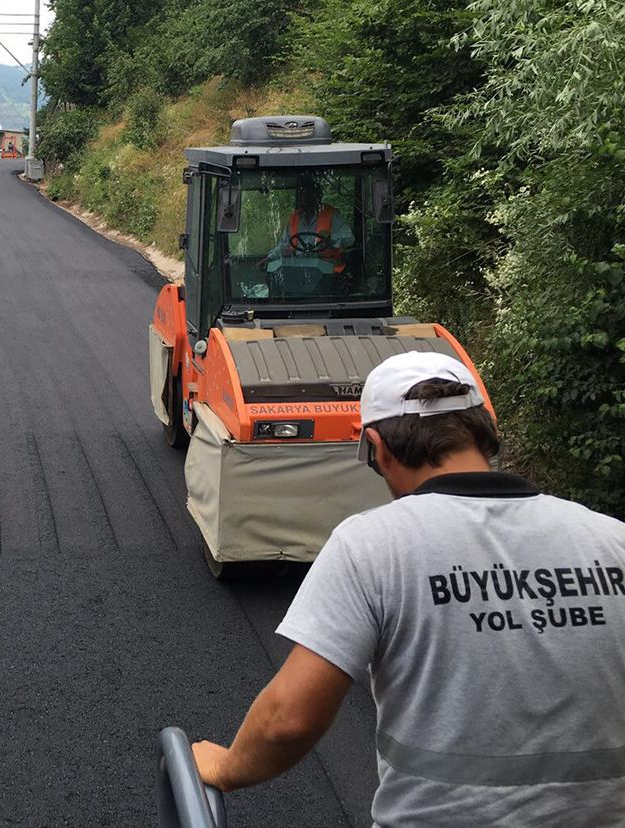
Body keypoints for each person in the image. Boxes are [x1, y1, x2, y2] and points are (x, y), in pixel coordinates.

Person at [192, 351, 625, 827]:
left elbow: (287, 722)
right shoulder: (612, 540)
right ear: (487, 432)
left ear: (379, 448)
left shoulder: (373, 546)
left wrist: (225, 769)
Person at [258, 176, 354, 273]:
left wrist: (331, 238)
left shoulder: (331, 214)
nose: (306, 198)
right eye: (303, 194)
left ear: (318, 196)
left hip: (328, 272)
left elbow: (349, 239)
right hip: (299, 270)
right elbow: (285, 245)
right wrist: (269, 259)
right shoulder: (294, 218)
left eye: (310, 194)